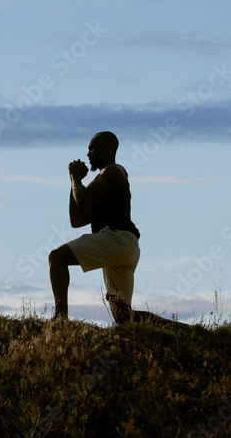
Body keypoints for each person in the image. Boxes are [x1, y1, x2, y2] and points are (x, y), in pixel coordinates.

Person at [48, 131, 180, 327]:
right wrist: (73, 181)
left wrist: (76, 178)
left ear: (107, 148)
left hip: (117, 239)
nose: (88, 154)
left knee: (57, 258)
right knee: (123, 317)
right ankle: (191, 331)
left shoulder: (113, 171)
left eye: (92, 148)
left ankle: (60, 320)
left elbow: (83, 198)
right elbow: (77, 220)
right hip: (124, 247)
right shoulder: (99, 182)